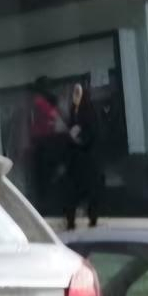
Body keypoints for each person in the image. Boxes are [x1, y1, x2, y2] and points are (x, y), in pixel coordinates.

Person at [26, 78, 69, 219]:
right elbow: (57, 121)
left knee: (47, 181)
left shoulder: (40, 103)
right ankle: (51, 210)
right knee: (49, 181)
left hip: (45, 145)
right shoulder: (40, 102)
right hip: (45, 145)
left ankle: (49, 208)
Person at [63, 82, 102, 230]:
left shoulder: (89, 111)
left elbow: (93, 133)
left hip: (88, 159)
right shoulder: (73, 111)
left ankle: (93, 218)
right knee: (71, 191)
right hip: (75, 160)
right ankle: (70, 221)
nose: (75, 97)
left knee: (91, 190)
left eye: (78, 94)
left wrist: (80, 136)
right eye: (74, 94)